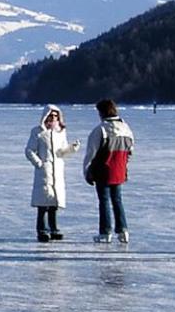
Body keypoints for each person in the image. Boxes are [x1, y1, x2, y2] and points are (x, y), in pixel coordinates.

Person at [82, 99, 134, 244]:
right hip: (119, 170)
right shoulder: (126, 128)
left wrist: (87, 171)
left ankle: (105, 232)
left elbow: (91, 153)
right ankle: (123, 231)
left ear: (102, 112)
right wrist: (124, 166)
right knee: (117, 200)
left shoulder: (101, 130)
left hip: (103, 171)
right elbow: (130, 150)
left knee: (104, 201)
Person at [25, 104, 78, 242]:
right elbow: (29, 150)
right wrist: (39, 163)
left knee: (54, 203)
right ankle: (42, 230)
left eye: (55, 116)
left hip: (57, 170)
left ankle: (53, 228)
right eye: (50, 115)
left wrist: (72, 149)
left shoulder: (61, 132)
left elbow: (61, 152)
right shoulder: (38, 132)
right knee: (43, 204)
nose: (53, 118)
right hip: (44, 171)